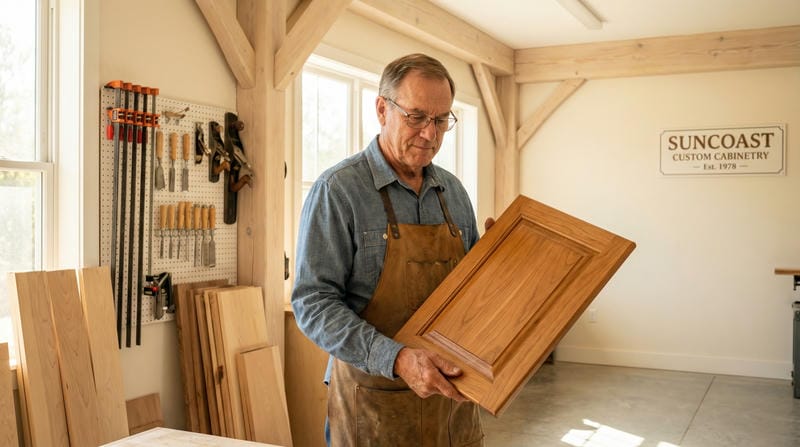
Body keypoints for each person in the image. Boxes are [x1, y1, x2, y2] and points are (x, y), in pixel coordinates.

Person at [292, 53, 485, 446]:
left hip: (452, 407)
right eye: (416, 117)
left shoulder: (454, 193)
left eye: (441, 119)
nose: (430, 134)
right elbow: (313, 303)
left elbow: (472, 295)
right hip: (372, 407)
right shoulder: (339, 191)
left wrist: (503, 261)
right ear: (382, 109)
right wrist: (396, 359)